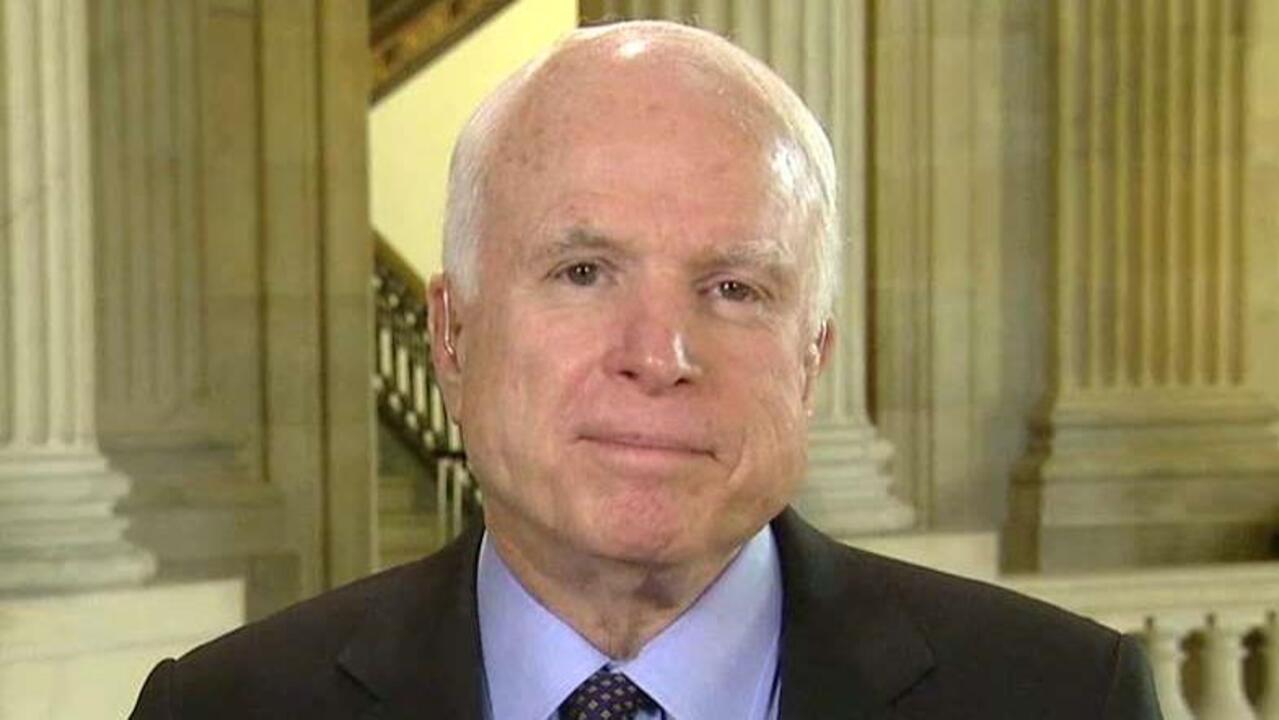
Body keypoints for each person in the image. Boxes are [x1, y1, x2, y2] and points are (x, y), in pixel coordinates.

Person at [131, 20, 1161, 720]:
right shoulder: (222, 709)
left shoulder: (1064, 697)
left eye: (734, 289)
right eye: (582, 272)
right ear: (451, 336)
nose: (658, 358)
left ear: (812, 361)